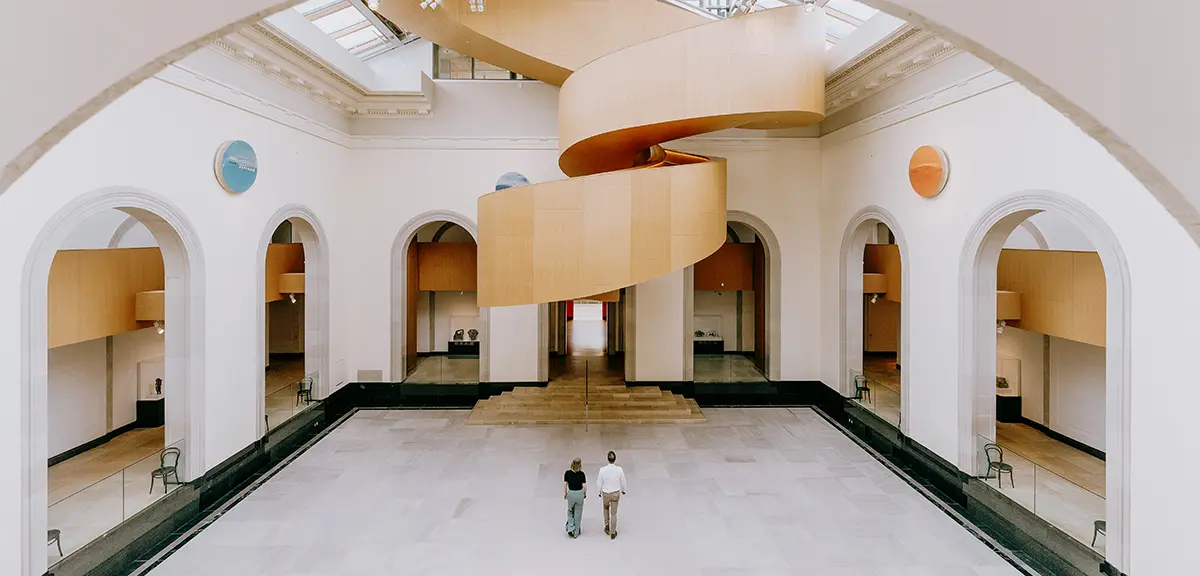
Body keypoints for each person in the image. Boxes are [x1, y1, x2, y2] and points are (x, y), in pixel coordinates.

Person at [596, 450, 627, 539]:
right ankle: (613, 532)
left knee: (606, 508)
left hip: (606, 493)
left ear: (607, 459)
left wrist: (599, 491)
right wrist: (624, 490)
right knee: (614, 513)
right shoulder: (619, 470)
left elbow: (599, 482)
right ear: (615, 459)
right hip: (615, 493)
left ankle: (607, 526)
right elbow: (623, 481)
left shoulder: (602, 470)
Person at [563, 457, 586, 538]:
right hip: (579, 494)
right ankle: (576, 532)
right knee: (578, 513)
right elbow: (584, 485)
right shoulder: (582, 474)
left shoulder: (567, 473)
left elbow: (565, 484)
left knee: (570, 511)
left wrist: (565, 493)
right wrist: (584, 494)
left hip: (571, 494)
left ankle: (570, 527)